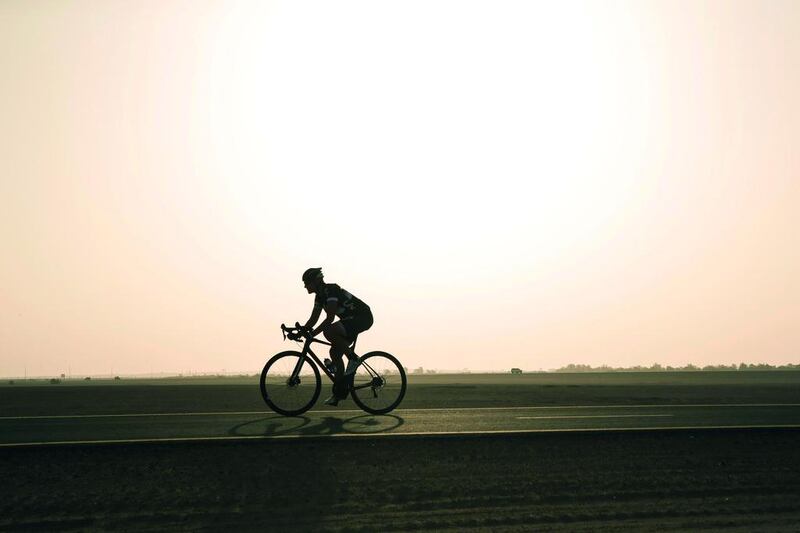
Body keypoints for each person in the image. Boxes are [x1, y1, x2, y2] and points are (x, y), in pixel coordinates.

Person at [301, 267, 373, 406]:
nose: (305, 286)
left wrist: (312, 334)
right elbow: (314, 319)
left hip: (362, 317)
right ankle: (339, 394)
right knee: (334, 353)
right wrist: (301, 330)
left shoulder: (331, 290)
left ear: (316, 281)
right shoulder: (320, 296)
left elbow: (330, 317)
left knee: (328, 330)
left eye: (307, 282)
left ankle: (353, 359)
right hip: (349, 320)